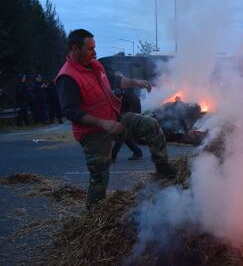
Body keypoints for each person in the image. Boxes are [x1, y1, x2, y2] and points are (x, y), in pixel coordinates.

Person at [56, 29, 176, 209]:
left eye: (94, 48)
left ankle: (163, 169)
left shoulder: (95, 66)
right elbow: (71, 112)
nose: (94, 53)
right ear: (74, 48)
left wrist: (137, 82)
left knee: (151, 125)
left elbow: (116, 81)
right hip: (93, 133)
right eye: (90, 49)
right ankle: (93, 219)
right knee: (99, 179)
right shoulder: (67, 77)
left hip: (115, 117)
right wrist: (103, 123)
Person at [109, 69, 147, 162]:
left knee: (121, 136)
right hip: (130, 114)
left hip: (128, 115)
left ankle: (112, 157)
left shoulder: (125, 91)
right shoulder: (128, 90)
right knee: (125, 136)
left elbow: (126, 103)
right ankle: (138, 152)